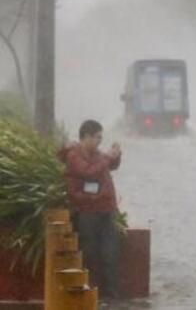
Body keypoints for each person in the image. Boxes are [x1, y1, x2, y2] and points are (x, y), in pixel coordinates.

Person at [59, 119, 122, 300]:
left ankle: (111, 296)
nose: (99, 143)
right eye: (97, 138)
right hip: (87, 211)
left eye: (101, 139)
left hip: (106, 209)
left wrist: (115, 155)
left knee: (110, 253)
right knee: (91, 255)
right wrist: (108, 157)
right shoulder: (74, 156)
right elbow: (90, 172)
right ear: (85, 137)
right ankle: (92, 296)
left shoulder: (97, 154)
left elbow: (110, 165)